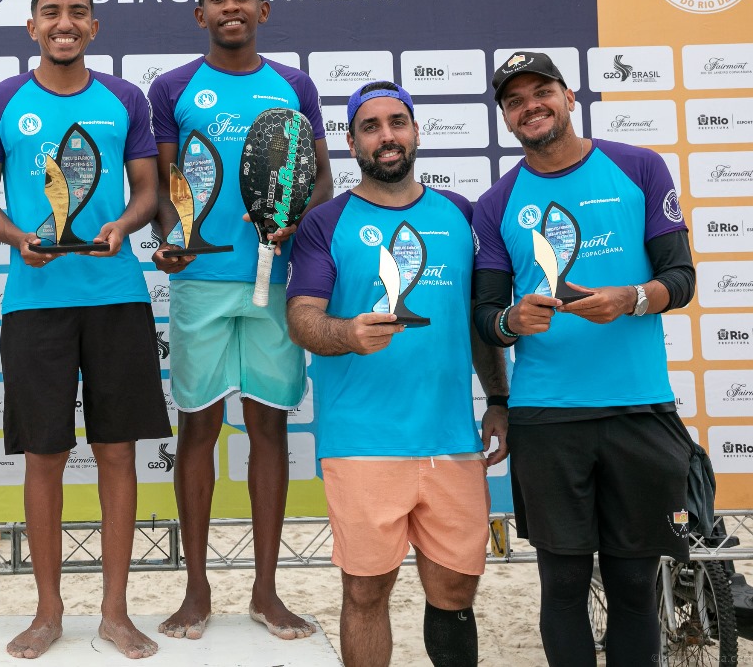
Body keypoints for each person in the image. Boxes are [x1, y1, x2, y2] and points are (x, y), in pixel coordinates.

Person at [0, 0, 171, 660]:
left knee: (118, 452)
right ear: (32, 27)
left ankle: (115, 611)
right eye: (51, 12)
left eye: (78, 12)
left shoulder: (124, 99)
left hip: (116, 295)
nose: (65, 22)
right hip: (35, 303)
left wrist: (124, 223)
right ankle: (48, 610)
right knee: (45, 456)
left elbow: (147, 191)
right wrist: (17, 237)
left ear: (94, 25)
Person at [471, 51, 696, 666]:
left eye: (541, 91)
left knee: (632, 586)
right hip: (548, 419)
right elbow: (486, 316)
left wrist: (632, 298)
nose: (530, 105)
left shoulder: (639, 167)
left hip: (639, 408)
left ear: (569, 96)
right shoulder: (495, 204)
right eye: (515, 101)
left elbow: (680, 278)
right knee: (563, 587)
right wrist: (511, 321)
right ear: (507, 120)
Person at [285, 81, 508, 667]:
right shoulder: (325, 222)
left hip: (452, 440)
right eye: (371, 126)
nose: (387, 136)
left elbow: (477, 323)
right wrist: (348, 334)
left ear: (414, 132)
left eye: (397, 122)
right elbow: (303, 320)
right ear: (352, 141)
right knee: (365, 591)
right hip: (363, 442)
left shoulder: (462, 214)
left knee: (455, 591)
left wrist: (500, 401)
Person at [148, 0, 332, 641]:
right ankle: (196, 589)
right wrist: (170, 236)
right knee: (197, 427)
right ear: (200, 15)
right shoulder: (172, 87)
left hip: (277, 278)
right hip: (200, 279)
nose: (230, 7)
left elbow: (319, 179)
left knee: (269, 428)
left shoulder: (296, 85)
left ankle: (265, 591)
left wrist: (299, 225)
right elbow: (166, 183)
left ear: (264, 9)